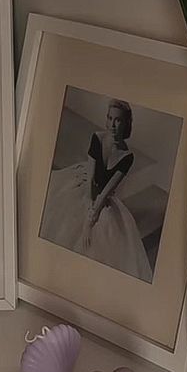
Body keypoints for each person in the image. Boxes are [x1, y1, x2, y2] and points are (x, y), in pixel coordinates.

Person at [40, 99, 152, 283]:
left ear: (126, 124)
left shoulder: (127, 157)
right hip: (84, 183)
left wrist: (90, 222)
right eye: (109, 118)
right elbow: (90, 182)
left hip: (103, 198)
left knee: (104, 233)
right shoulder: (97, 138)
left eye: (118, 120)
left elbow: (106, 193)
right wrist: (86, 218)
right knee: (68, 215)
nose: (112, 125)